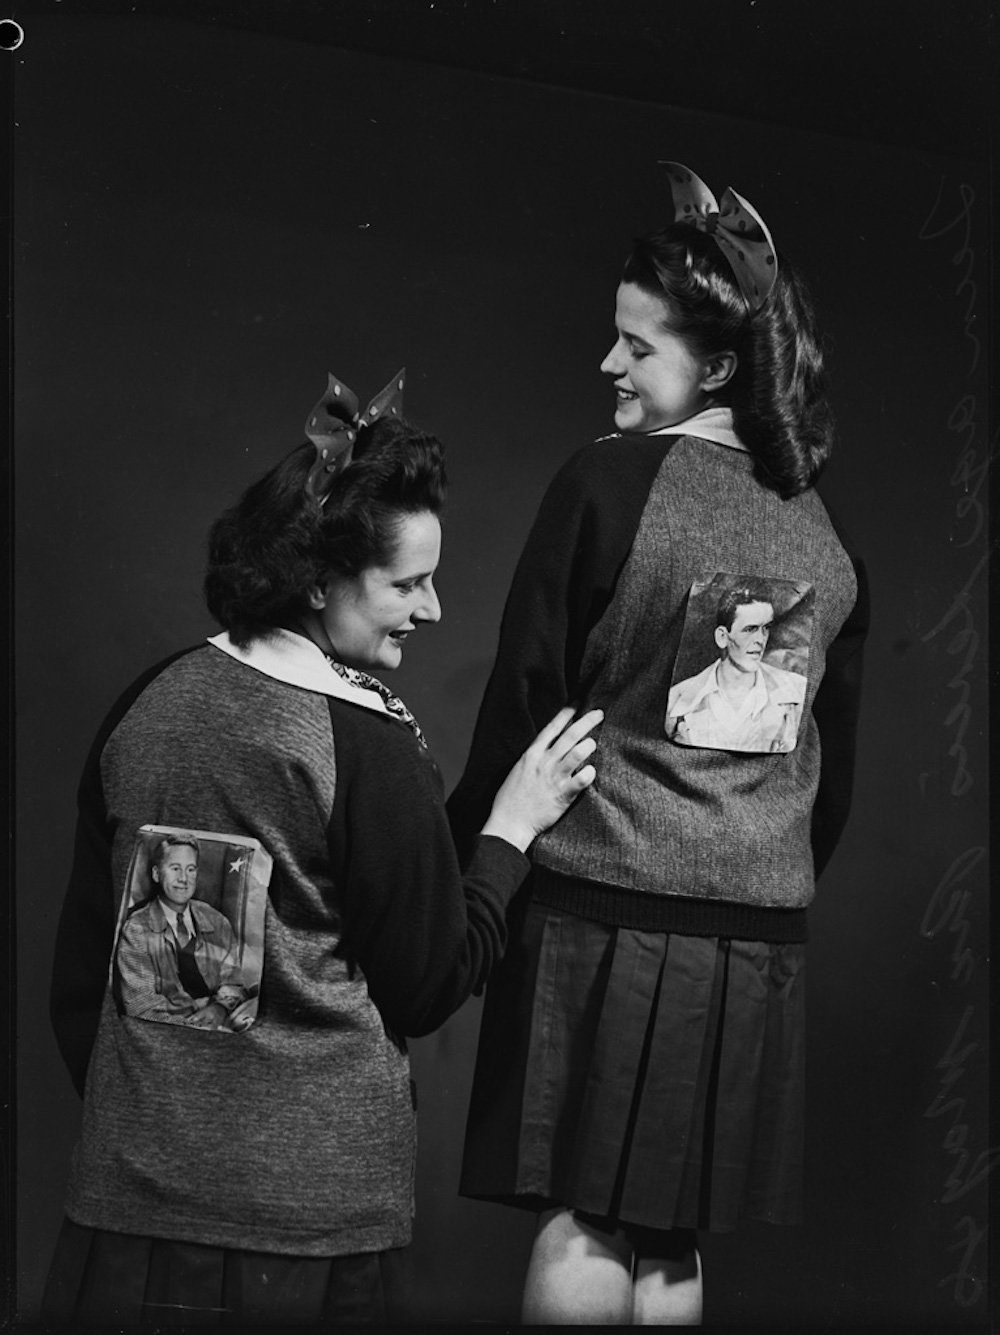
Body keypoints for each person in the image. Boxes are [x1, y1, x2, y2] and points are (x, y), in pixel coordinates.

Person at [44, 368, 601, 1326]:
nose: (432, 609)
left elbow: (77, 986)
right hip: (313, 1237)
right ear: (316, 578)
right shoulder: (371, 747)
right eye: (409, 583)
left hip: (128, 1216)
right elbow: (429, 984)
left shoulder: (144, 702)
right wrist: (509, 829)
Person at [448, 163, 868, 1324]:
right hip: (753, 937)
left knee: (582, 1219)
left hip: (598, 908)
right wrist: (747, 873)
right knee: (670, 1241)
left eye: (637, 347)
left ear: (716, 367)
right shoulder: (826, 538)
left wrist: (463, 865)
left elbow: (526, 696)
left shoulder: (606, 480)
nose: (609, 366)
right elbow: (828, 789)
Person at [114, 832, 248, 1028]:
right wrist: (190, 1026)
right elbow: (139, 1005)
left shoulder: (217, 920)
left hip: (221, 1026)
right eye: (175, 868)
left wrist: (220, 1008)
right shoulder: (136, 930)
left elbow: (235, 984)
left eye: (191, 869)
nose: (184, 878)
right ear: (157, 874)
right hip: (165, 1031)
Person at [666, 584, 807, 753]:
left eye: (766, 628)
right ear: (722, 637)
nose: (760, 640)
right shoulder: (678, 700)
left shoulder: (795, 691)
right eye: (750, 629)